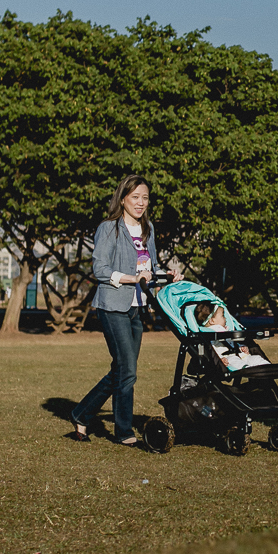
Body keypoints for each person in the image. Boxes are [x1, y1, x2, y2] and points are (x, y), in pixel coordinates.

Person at [71, 175, 181, 444]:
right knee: (128, 370)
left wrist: (165, 274)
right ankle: (123, 432)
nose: (140, 203)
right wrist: (132, 278)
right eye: (135, 197)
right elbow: (100, 270)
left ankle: (81, 415)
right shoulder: (109, 228)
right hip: (112, 306)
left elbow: (149, 268)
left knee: (122, 370)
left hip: (136, 307)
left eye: (145, 198)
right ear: (122, 199)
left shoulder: (148, 229)